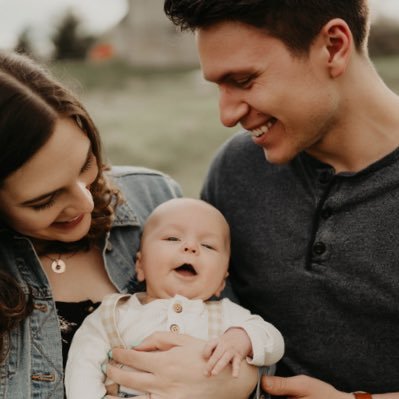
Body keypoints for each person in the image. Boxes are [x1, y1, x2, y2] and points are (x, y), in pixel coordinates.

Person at [161, 1, 399, 399]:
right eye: (218, 85)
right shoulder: (234, 170)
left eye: (244, 80)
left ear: (334, 47)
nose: (227, 113)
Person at [0, 50, 183, 398]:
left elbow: (236, 326)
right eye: (45, 199)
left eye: (86, 165)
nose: (85, 202)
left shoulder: (155, 198)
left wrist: (237, 381)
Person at [64, 198, 284, 398]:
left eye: (208, 245)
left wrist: (242, 339)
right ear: (140, 265)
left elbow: (274, 342)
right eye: (172, 238)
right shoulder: (113, 314)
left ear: (221, 283)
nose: (190, 247)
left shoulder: (228, 317)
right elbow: (82, 364)